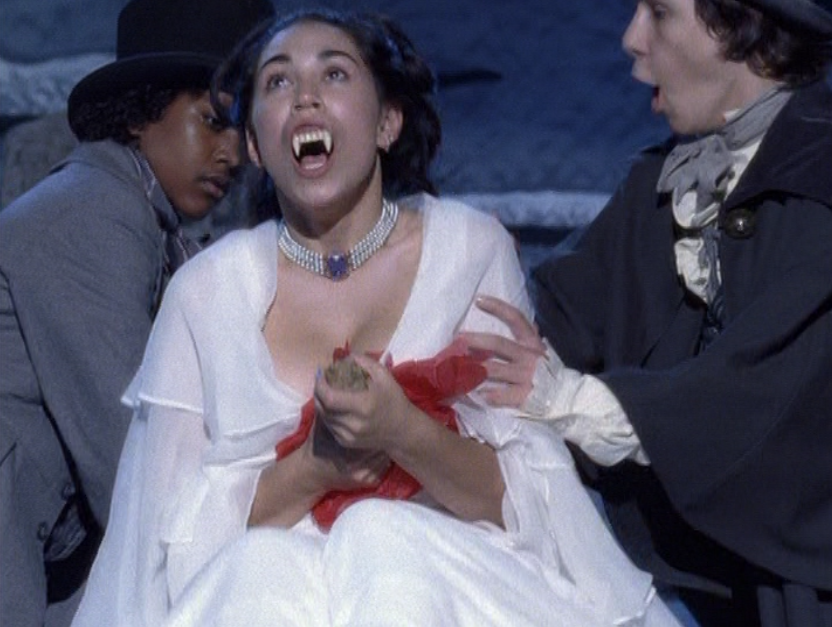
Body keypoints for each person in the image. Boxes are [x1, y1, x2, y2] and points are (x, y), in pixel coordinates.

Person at [70, 9, 682, 627]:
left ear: (388, 121)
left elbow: (525, 506)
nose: (305, 97)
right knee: (261, 566)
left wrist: (403, 431)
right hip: (260, 600)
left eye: (334, 74)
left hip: (437, 586)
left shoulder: (467, 251)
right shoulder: (205, 293)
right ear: (255, 143)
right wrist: (314, 468)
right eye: (278, 82)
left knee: (382, 538)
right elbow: (163, 548)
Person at [461, 1, 832, 626]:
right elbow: (561, 311)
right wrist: (461, 265)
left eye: (659, 11)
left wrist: (572, 400)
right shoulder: (669, 179)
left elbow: (767, 393)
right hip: (687, 577)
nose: (632, 39)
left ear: (740, 26)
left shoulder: (819, 183)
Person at [0, 1, 276, 625]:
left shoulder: (143, 223)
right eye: (213, 122)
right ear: (137, 114)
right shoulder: (93, 212)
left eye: (245, 133)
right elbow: (129, 460)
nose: (232, 154)